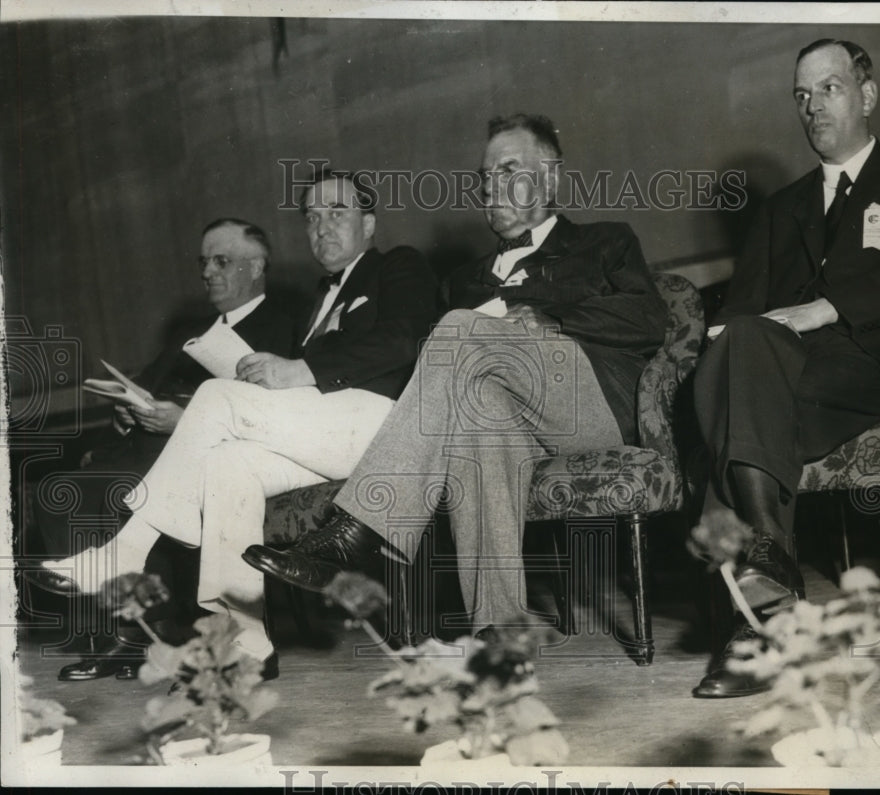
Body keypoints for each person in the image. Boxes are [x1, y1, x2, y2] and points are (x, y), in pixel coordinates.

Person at [242, 114, 670, 637]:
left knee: (458, 332)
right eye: (485, 177)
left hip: (587, 404)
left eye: (508, 168)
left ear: (552, 177)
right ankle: (500, 631)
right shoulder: (461, 282)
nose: (492, 186)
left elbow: (648, 318)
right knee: (476, 425)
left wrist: (553, 321)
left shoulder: (604, 242)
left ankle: (358, 531)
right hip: (512, 420)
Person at [27, 170, 439, 676]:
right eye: (311, 216)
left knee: (218, 396)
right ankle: (246, 640)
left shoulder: (399, 266)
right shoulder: (319, 296)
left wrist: (299, 369)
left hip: (383, 427)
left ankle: (125, 551)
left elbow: (405, 340)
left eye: (338, 212)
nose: (322, 227)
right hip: (327, 431)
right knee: (226, 464)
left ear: (370, 223)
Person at [690, 39, 880, 698]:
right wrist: (737, 331)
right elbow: (745, 311)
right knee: (741, 361)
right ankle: (774, 599)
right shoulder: (779, 210)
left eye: (830, 89)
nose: (812, 106)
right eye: (801, 95)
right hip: (784, 377)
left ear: (867, 95)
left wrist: (822, 310)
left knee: (740, 405)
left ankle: (757, 621)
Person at [32, 217, 297, 681]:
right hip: (145, 444)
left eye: (222, 261)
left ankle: (143, 633)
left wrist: (180, 418)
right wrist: (127, 412)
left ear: (256, 267)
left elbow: (272, 410)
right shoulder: (190, 332)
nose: (208, 272)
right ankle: (112, 630)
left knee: (121, 490)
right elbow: (148, 390)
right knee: (59, 488)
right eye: (204, 262)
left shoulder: (284, 326)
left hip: (211, 451)